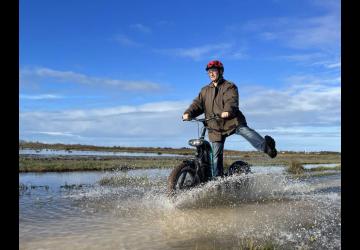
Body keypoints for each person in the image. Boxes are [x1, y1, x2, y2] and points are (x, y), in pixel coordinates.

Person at [182, 60, 277, 177]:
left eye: (214, 71)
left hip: (232, 121)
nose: (211, 74)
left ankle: (268, 148)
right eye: (209, 72)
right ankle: (217, 180)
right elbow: (197, 105)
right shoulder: (205, 90)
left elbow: (231, 100)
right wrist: (188, 113)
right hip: (215, 127)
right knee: (216, 157)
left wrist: (227, 111)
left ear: (220, 71)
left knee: (247, 133)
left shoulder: (229, 86)